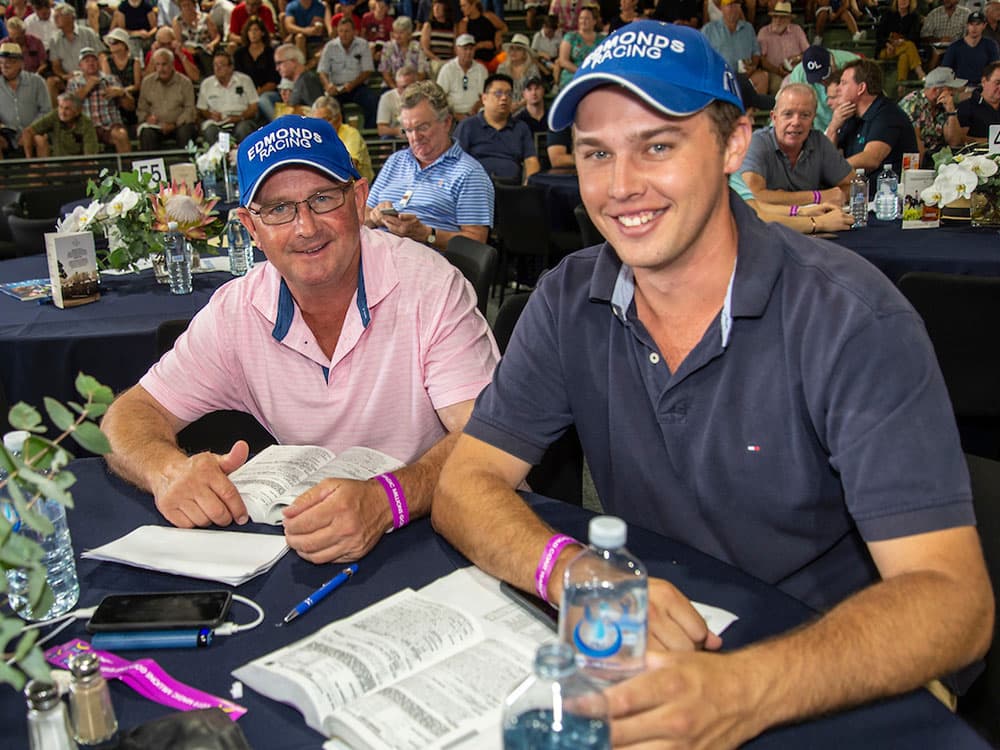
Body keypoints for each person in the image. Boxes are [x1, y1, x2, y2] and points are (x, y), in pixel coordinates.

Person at [432, 22, 994, 749]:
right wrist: (569, 570)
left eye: (657, 146)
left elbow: (954, 602)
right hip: (668, 639)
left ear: (733, 147)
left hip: (834, 664)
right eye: (597, 153)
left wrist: (739, 691)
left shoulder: (852, 318)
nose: (620, 186)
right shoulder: (570, 297)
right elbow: (465, 482)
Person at [100, 114, 499, 565]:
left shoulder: (430, 286)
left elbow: (489, 436)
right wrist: (167, 471)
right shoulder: (237, 311)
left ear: (359, 200)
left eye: (322, 199)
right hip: (317, 543)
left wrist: (388, 498)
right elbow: (129, 415)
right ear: (251, 228)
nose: (305, 227)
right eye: (278, 209)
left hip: (440, 530)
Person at [367, 80, 493, 252]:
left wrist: (427, 234)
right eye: (408, 130)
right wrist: (374, 217)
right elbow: (363, 215)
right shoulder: (395, 161)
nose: (415, 137)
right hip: (377, 256)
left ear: (446, 122)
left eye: (422, 127)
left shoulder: (470, 173)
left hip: (425, 263)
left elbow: (476, 244)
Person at [740, 83, 852, 205]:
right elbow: (753, 196)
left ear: (813, 119)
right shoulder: (758, 142)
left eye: (805, 115)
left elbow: (852, 185)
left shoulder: (819, 141)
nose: (796, 122)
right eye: (788, 114)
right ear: (774, 117)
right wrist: (817, 196)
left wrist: (838, 195)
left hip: (816, 216)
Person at [835, 58, 919, 184]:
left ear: (861, 88)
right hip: (858, 190)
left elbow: (872, 159)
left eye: (843, 83)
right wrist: (833, 126)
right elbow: (831, 155)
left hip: (887, 193)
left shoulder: (888, 114)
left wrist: (833, 169)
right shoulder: (850, 116)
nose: (838, 88)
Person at [454, 72, 540, 182]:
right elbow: (455, 161)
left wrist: (528, 185)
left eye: (509, 94)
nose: (504, 98)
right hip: (476, 187)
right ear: (484, 98)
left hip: (511, 188)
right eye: (498, 93)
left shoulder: (521, 128)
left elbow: (531, 161)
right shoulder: (468, 126)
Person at [66, 46, 131, 152]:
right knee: (85, 139)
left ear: (99, 63)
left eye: (93, 60)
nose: (91, 63)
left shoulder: (111, 80)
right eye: (87, 61)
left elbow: (130, 107)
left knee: (121, 135)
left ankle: (127, 163)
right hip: (86, 127)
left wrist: (122, 94)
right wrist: (87, 87)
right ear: (80, 65)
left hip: (110, 125)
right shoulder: (73, 83)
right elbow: (69, 107)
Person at [317, 17, 378, 129]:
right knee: (331, 107)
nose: (343, 34)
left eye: (347, 31)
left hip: (357, 86)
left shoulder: (363, 44)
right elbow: (322, 70)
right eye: (341, 31)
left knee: (372, 100)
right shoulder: (330, 46)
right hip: (336, 88)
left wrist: (352, 84)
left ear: (354, 32)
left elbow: (368, 70)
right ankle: (340, 133)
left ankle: (368, 132)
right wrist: (327, 85)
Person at [899, 66, 965, 166]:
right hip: (917, 162)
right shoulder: (913, 104)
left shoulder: (943, 104)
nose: (953, 93)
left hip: (940, 160)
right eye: (950, 89)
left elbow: (955, 142)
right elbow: (914, 146)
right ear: (935, 90)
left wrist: (951, 111)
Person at [785, 44, 858, 131]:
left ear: (831, 63)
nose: (821, 81)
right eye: (817, 79)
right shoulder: (799, 74)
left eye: (824, 76)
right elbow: (787, 108)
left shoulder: (853, 65)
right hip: (820, 128)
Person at [136, 48, 197, 150]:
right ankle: (152, 160)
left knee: (186, 132)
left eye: (164, 64)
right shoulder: (147, 82)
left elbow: (190, 109)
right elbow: (142, 109)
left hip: (179, 125)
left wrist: (174, 124)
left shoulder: (185, 82)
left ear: (172, 64)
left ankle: (186, 160)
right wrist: (147, 118)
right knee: (146, 133)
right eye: (157, 65)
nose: (161, 69)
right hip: (156, 126)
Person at [702, 0, 766, 94]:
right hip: (719, 77)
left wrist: (752, 66)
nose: (734, 8)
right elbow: (701, 56)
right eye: (730, 5)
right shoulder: (709, 30)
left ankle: (750, 103)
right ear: (721, 8)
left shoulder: (748, 28)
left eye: (737, 4)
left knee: (763, 77)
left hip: (744, 76)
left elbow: (756, 52)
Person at [0, 41, 50, 158]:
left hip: (35, 131)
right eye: (1, 62)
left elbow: (46, 111)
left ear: (21, 63)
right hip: (8, 136)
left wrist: (30, 131)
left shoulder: (37, 81)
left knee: (40, 140)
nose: (4, 66)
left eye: (10, 62)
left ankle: (41, 170)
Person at [47, 3, 103, 106]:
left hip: (90, 74)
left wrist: (93, 73)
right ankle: (58, 113)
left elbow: (101, 56)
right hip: (68, 78)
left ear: (71, 17)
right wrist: (64, 76)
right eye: (54, 16)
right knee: (51, 82)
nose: (55, 19)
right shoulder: (54, 40)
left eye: (58, 16)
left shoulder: (88, 33)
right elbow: (56, 66)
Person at [197, 49, 257, 142]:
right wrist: (211, 115)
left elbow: (254, 106)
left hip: (242, 119)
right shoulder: (206, 84)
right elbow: (202, 108)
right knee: (210, 131)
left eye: (221, 65)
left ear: (231, 67)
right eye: (215, 65)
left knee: (243, 129)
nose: (217, 68)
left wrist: (240, 117)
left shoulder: (245, 80)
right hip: (217, 122)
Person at [310, 94, 374, 181]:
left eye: (325, 120)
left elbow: (350, 168)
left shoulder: (351, 134)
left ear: (339, 118)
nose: (320, 126)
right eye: (316, 122)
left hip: (357, 185)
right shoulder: (313, 136)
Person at [260, 43, 322, 121]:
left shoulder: (307, 81)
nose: (277, 68)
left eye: (279, 63)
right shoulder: (300, 81)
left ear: (293, 61)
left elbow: (319, 114)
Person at [23, 91, 98, 155]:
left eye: (67, 109)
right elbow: (28, 132)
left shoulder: (86, 123)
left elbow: (90, 155)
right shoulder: (55, 115)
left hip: (78, 163)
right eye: (60, 107)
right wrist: (30, 161)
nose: (62, 112)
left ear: (77, 112)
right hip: (56, 162)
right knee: (38, 138)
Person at [757, 1, 808, 95]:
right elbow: (762, 59)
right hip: (774, 72)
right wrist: (778, 70)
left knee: (804, 84)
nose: (778, 20)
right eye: (775, 17)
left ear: (789, 19)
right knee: (779, 87)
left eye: (782, 17)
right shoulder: (764, 32)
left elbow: (808, 52)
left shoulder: (797, 30)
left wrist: (797, 58)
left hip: (796, 71)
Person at [946, 59, 1000, 145]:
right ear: (984, 82)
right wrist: (990, 142)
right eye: (997, 83)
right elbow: (959, 139)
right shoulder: (967, 107)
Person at [435, 33, 487, 119]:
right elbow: (439, 97)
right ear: (457, 50)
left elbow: (485, 96)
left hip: (475, 114)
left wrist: (476, 106)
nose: (468, 52)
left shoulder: (481, 69)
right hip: (452, 115)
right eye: (465, 49)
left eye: (471, 49)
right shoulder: (447, 69)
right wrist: (455, 115)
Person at [942, 10, 1000, 84]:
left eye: (978, 24)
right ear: (967, 26)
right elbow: (945, 70)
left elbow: (995, 68)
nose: (974, 28)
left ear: (984, 26)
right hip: (959, 85)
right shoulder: (955, 46)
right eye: (971, 24)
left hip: (982, 85)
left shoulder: (990, 45)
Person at [876, 0, 925, 84]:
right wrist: (887, 44)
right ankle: (920, 72)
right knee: (909, 45)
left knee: (904, 56)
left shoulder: (914, 16)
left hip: (903, 47)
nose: (903, 1)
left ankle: (901, 86)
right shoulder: (888, 15)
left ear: (910, 2)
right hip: (887, 50)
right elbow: (879, 35)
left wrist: (902, 40)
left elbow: (915, 36)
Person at [558, 5, 604, 90]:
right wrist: (582, 72)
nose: (583, 21)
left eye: (587, 18)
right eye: (581, 18)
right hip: (573, 76)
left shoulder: (602, 39)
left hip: (595, 75)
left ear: (594, 21)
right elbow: (563, 61)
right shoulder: (570, 37)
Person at [378, 15, 430, 89]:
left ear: (409, 34)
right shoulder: (388, 47)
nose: (397, 36)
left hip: (414, 87)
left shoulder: (418, 47)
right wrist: (397, 89)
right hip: (392, 87)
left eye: (401, 33)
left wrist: (409, 90)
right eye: (396, 32)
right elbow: (386, 73)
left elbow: (422, 74)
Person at [174, 0, 221, 77]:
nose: (187, 8)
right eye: (184, 6)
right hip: (188, 50)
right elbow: (178, 42)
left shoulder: (205, 17)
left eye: (189, 5)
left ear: (194, 5)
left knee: (204, 55)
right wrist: (185, 49)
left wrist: (212, 44)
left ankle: (209, 77)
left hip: (205, 48)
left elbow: (216, 37)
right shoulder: (177, 21)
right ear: (180, 8)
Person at [233, 17, 278, 96]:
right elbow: (237, 77)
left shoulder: (271, 53)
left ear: (263, 33)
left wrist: (258, 93)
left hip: (266, 92)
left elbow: (274, 80)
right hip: (245, 93)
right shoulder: (239, 53)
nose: (253, 33)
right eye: (250, 30)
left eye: (256, 30)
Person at [497, 33, 542, 110]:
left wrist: (518, 105)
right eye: (512, 48)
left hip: (527, 107)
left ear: (525, 53)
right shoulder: (502, 68)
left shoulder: (532, 69)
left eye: (518, 49)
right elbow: (498, 90)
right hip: (504, 105)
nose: (513, 52)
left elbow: (534, 92)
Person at [456, 0, 506, 69]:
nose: (462, 9)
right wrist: (480, 45)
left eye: (464, 6)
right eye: (461, 6)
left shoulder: (489, 16)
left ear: (473, 5)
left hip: (494, 57)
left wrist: (498, 33)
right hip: (476, 60)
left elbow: (504, 28)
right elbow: (464, 45)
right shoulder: (464, 23)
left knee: (506, 56)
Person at [922, 0, 971, 69]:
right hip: (937, 47)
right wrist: (939, 40)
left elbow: (971, 35)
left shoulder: (966, 14)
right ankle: (929, 73)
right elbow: (924, 36)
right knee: (936, 52)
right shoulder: (933, 14)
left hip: (959, 47)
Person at [375, 63, 416, 137]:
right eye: (404, 87)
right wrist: (400, 132)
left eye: (411, 86)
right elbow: (381, 129)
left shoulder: (422, 97)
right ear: (397, 85)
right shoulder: (387, 98)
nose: (408, 90)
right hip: (395, 136)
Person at [421, 0, 456, 76]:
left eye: (439, 6)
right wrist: (437, 59)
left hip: (448, 60)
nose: (436, 9)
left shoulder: (452, 26)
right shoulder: (428, 25)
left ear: (445, 8)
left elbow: (454, 48)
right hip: (433, 60)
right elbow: (425, 49)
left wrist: (451, 60)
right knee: (439, 67)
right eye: (434, 6)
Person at [530, 13, 562, 81]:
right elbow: (532, 52)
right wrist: (542, 54)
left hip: (554, 58)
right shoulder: (538, 36)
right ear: (544, 27)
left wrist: (558, 57)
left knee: (558, 64)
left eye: (552, 32)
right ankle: (551, 77)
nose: (551, 35)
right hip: (542, 59)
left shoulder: (558, 35)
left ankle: (555, 82)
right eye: (549, 32)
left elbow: (560, 49)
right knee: (554, 67)